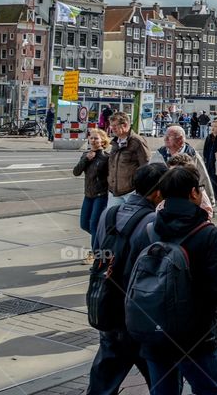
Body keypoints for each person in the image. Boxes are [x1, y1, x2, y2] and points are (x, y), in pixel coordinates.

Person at [137, 166, 217, 395]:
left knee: (163, 391)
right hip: (194, 334)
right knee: (209, 390)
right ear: (193, 193)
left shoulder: (150, 229)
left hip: (155, 327)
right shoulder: (208, 234)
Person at [85, 163, 166, 395]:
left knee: (103, 380)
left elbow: (100, 252)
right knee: (163, 379)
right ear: (158, 193)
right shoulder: (152, 223)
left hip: (107, 304)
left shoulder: (108, 214)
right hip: (138, 313)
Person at [149, 125, 217, 212]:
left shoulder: (193, 155)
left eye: (169, 136)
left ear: (180, 139)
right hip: (164, 203)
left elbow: (203, 179)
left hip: (187, 201)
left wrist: (210, 201)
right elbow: (150, 179)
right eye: (165, 136)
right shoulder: (159, 154)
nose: (165, 139)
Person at [75, 128, 110, 257]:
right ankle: (102, 238)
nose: (93, 140)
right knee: (84, 224)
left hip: (101, 195)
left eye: (96, 138)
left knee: (94, 223)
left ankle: (95, 253)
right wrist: (86, 160)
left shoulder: (106, 157)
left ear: (103, 141)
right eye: (91, 138)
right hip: (88, 195)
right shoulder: (86, 155)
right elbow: (76, 172)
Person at [106, 112, 150, 208]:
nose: (112, 128)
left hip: (131, 191)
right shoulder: (115, 142)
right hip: (114, 191)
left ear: (125, 125)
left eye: (115, 126)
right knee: (110, 219)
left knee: (128, 220)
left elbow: (146, 166)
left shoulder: (137, 141)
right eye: (111, 125)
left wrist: (139, 187)